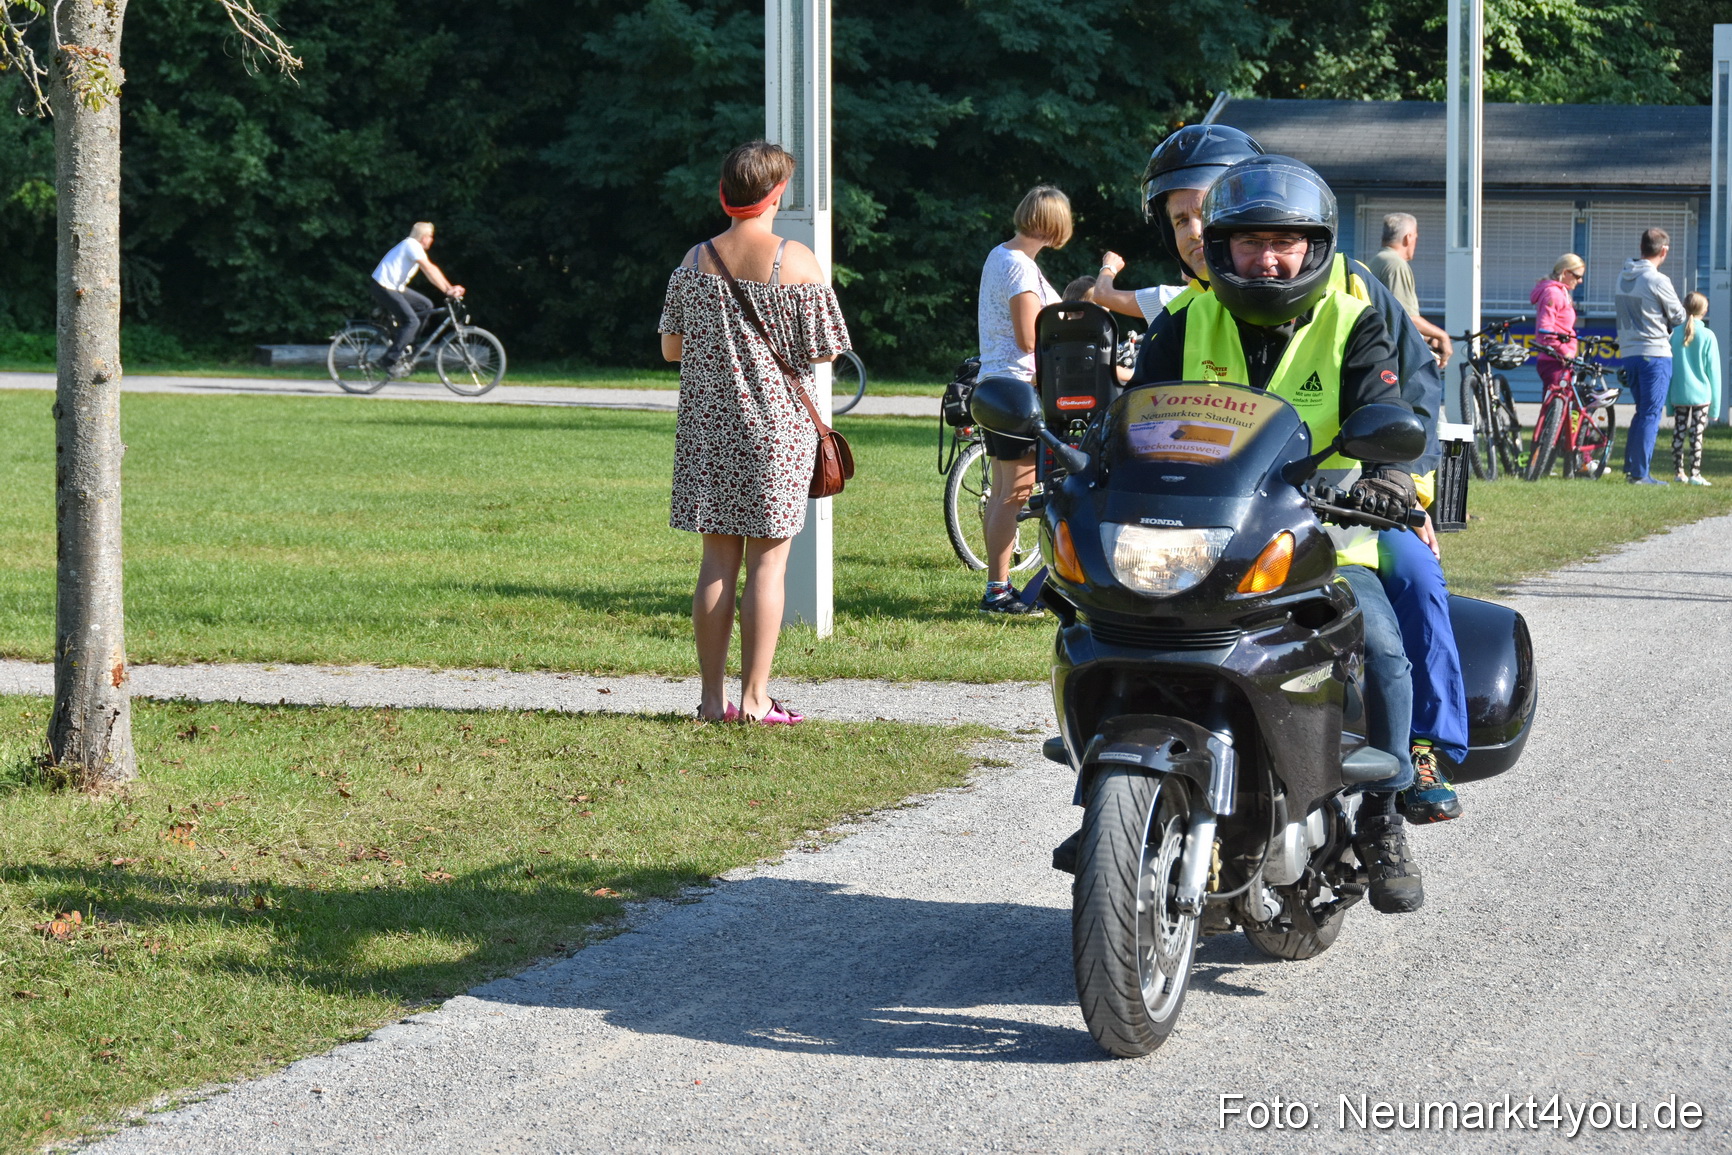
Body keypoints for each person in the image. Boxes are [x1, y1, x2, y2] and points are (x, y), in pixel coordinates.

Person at [1135, 122, 1468, 826]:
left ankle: (1414, 760)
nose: (1197, 232)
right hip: (1218, 523)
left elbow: (1406, 399)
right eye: (1183, 219)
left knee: (1408, 591)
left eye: (1204, 210)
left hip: (1340, 516)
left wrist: (1405, 487)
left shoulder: (1353, 295)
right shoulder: (1184, 317)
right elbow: (1135, 418)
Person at [657, 140, 851, 723]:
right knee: (769, 565)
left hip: (708, 432)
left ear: (725, 193)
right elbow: (827, 351)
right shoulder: (797, 261)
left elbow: (671, 349)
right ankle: (756, 699)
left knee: (716, 560)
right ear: (777, 194)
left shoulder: (692, 262)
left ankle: (713, 702)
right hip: (774, 433)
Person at [975, 185, 1072, 616]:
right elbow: (1028, 337)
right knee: (1013, 494)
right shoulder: (1019, 267)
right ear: (1055, 225)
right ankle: (998, 590)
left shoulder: (1001, 255)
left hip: (996, 387)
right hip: (1017, 390)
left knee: (1002, 493)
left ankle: (997, 586)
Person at [1616, 228, 1687, 485]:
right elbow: (1678, 316)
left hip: (1630, 352)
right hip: (1654, 353)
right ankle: (1640, 474)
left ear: (1641, 246)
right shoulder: (1658, 280)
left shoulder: (1623, 276)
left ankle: (1631, 468)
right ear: (1664, 250)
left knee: (1641, 411)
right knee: (1651, 414)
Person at [370, 222, 464, 376]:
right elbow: (429, 269)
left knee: (425, 305)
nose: (432, 240)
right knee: (412, 321)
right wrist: (448, 290)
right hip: (384, 287)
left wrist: (449, 288)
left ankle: (408, 347)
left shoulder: (415, 247)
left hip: (394, 287)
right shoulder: (411, 245)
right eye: (430, 237)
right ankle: (388, 360)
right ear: (424, 237)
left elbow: (431, 271)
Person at [1366, 213, 1452, 365]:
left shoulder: (1377, 260)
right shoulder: (1396, 265)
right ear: (1408, 238)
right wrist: (1442, 336)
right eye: (1415, 238)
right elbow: (1406, 317)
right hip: (1389, 357)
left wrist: (1429, 337)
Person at [1669, 292, 1719, 486]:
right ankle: (1695, 474)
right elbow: (1713, 372)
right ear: (1704, 310)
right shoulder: (1708, 335)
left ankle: (1678, 472)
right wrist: (1715, 409)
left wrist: (1669, 403)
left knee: (1679, 431)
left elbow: (1670, 369)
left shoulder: (1674, 334)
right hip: (1702, 394)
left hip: (1679, 392)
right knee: (1696, 433)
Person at [1531, 253, 1585, 394]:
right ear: (1566, 273)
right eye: (1578, 276)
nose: (1580, 281)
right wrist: (1565, 351)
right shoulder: (1553, 294)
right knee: (1555, 410)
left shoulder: (1561, 292)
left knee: (1562, 408)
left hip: (1560, 360)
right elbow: (1545, 331)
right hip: (1554, 361)